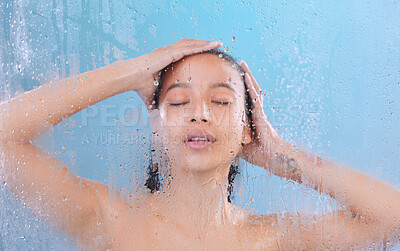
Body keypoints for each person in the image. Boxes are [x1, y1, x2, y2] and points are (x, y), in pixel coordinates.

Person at [0, 38, 399, 250]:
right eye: (178, 101)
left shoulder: (272, 239)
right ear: (157, 125)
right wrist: (130, 72)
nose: (200, 113)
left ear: (247, 129)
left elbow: (393, 220)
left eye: (221, 101)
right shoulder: (110, 222)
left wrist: (280, 154)